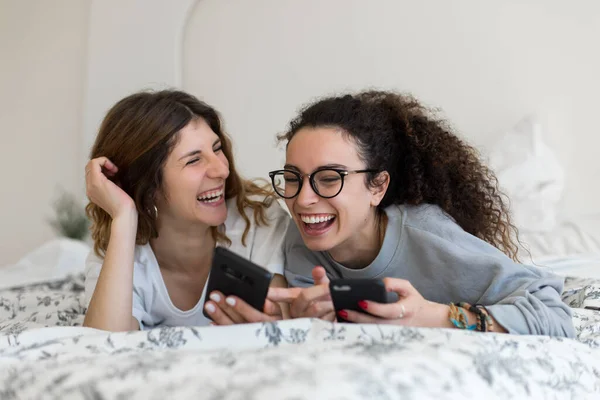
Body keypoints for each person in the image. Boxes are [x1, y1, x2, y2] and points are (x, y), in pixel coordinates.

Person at [223, 90, 575, 337]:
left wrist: (435, 316)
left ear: (377, 187)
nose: (303, 200)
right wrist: (296, 322)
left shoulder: (428, 236)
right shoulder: (301, 246)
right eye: (292, 179)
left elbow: (555, 315)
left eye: (329, 179)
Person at [83, 90, 289, 331]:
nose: (221, 170)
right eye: (194, 160)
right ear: (148, 187)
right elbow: (103, 345)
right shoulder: (120, 250)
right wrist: (124, 214)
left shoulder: (257, 219)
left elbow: (282, 321)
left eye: (217, 148)